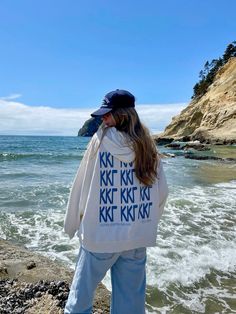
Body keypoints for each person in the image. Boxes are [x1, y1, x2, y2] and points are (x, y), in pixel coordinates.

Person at [64, 89, 169, 314]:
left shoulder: (100, 141)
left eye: (107, 114)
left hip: (100, 236)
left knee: (79, 302)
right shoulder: (148, 146)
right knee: (130, 305)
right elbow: (162, 193)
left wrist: (74, 223)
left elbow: (82, 184)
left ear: (121, 114)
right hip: (136, 237)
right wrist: (146, 223)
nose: (103, 118)